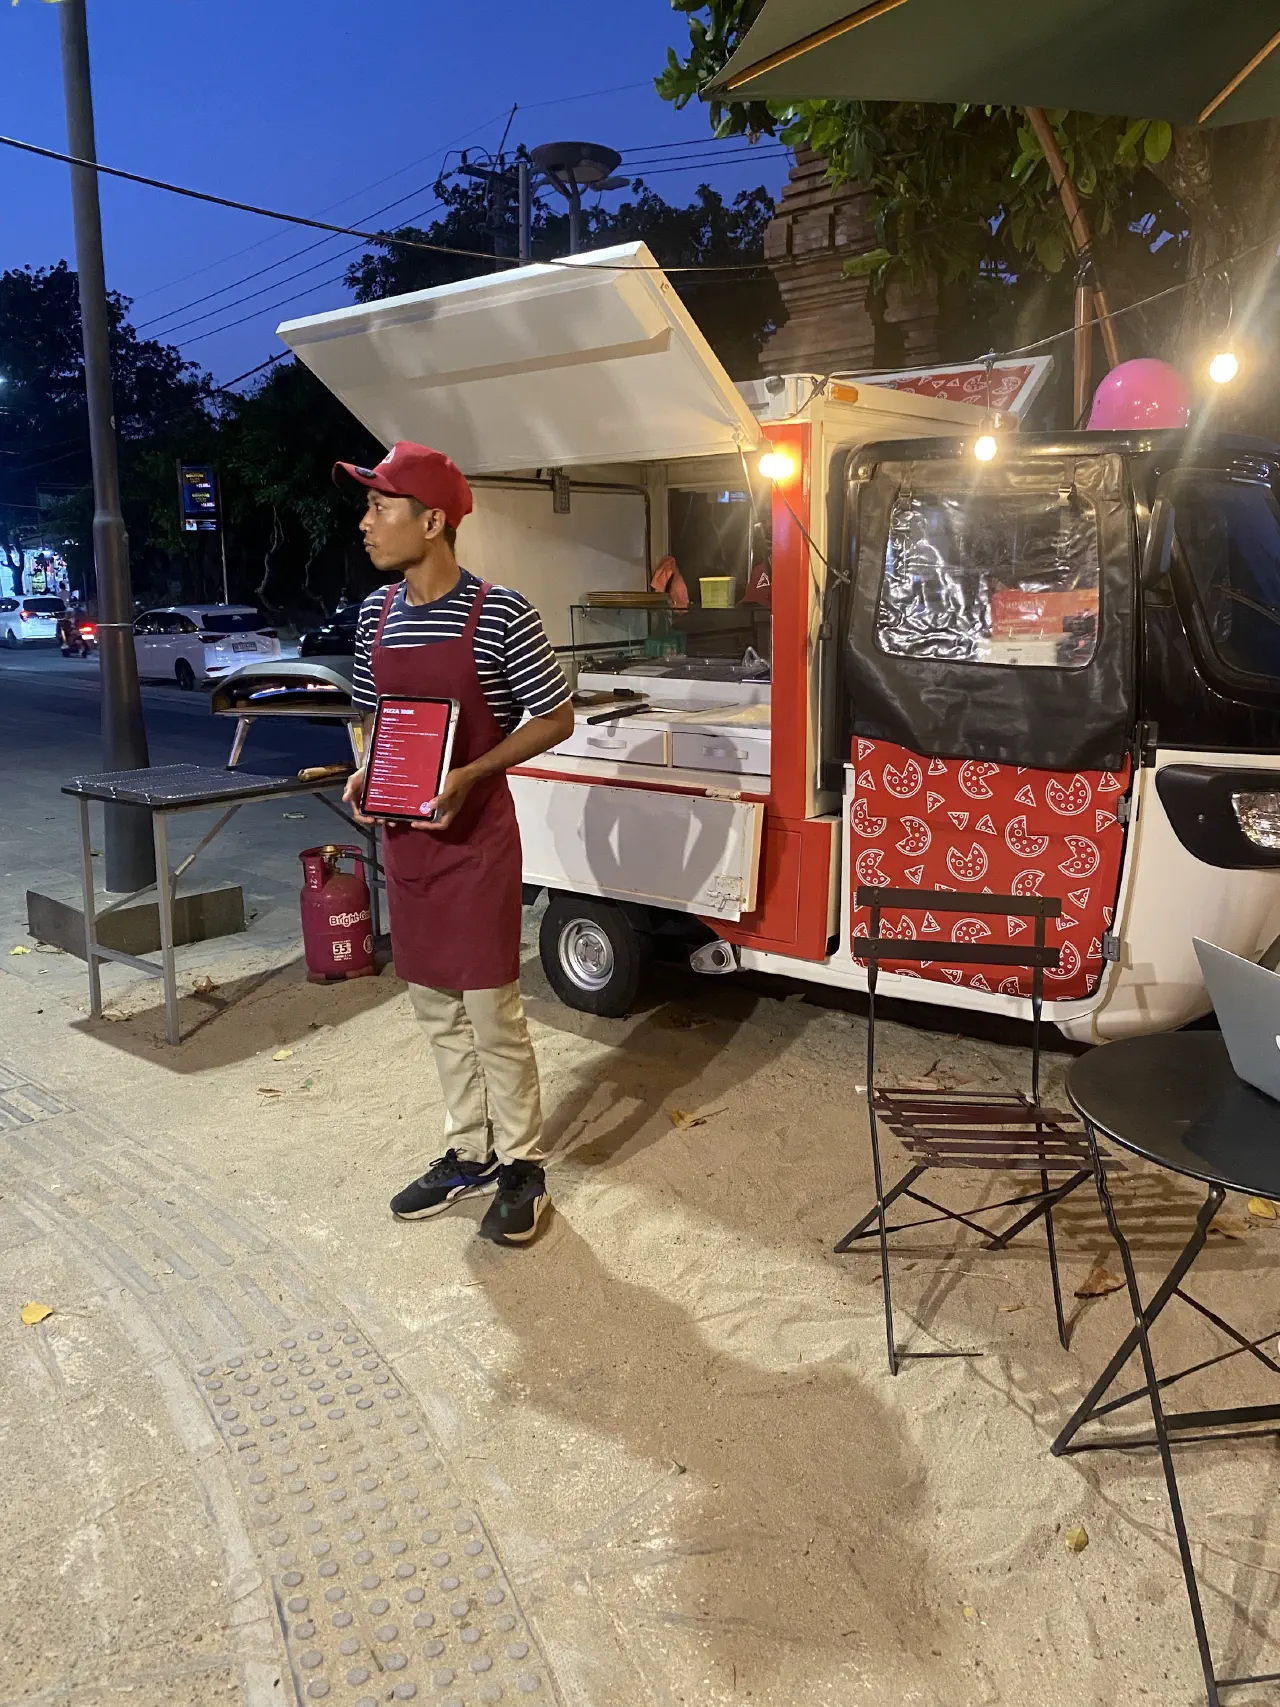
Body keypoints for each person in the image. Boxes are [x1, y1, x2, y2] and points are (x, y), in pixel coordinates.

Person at [338, 441, 574, 1245]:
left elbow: (554, 715)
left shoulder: (500, 612)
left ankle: (522, 1165)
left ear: (432, 520)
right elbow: (369, 713)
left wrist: (472, 770)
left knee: (491, 1012)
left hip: (474, 841)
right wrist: (366, 767)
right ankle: (466, 1150)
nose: (366, 523)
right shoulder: (375, 614)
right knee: (435, 1007)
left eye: (381, 506)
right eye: (367, 506)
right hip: (407, 843)